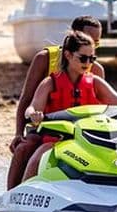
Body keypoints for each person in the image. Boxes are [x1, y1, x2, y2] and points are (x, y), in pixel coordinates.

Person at [17, 30, 117, 186]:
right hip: (57, 139)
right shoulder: (50, 82)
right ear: (68, 55)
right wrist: (33, 114)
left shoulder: (95, 82)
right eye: (83, 58)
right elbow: (32, 107)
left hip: (89, 141)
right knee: (38, 156)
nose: (87, 63)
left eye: (92, 58)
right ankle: (23, 191)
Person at [6, 16, 104, 189]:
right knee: (24, 148)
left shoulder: (95, 69)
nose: (93, 46)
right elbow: (27, 98)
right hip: (45, 127)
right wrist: (18, 132)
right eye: (90, 39)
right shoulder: (44, 59)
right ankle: (11, 196)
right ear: (74, 36)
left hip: (82, 131)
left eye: (97, 42)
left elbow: (103, 108)